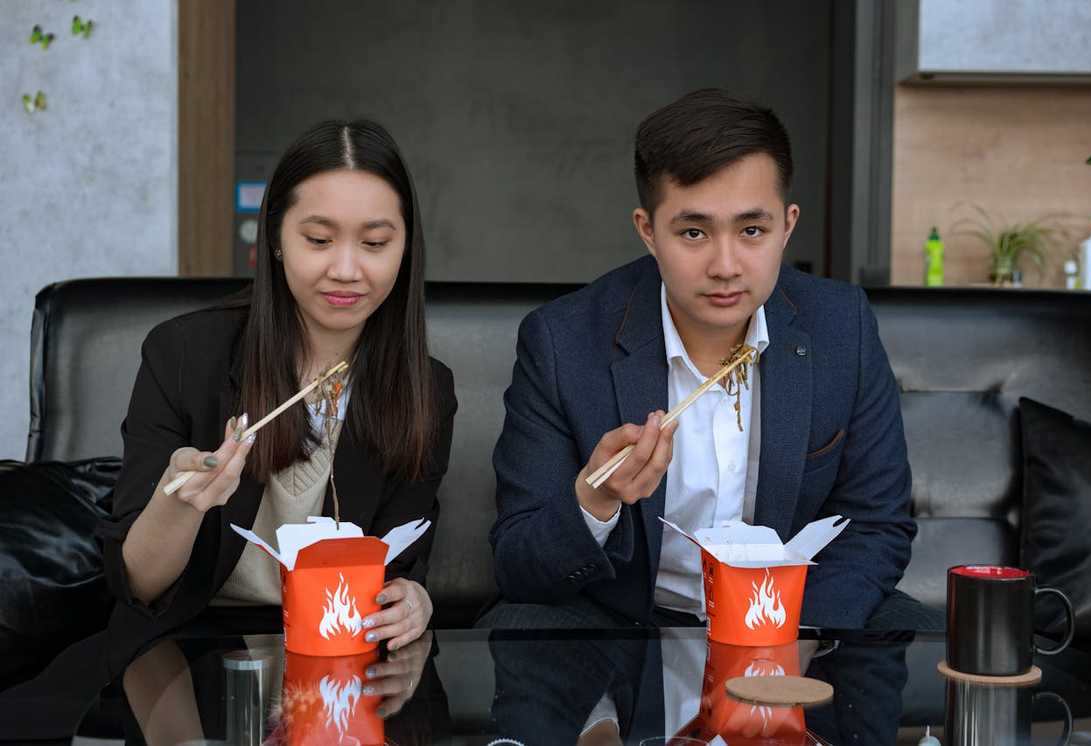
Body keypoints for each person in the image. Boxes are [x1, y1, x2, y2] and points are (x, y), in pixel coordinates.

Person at [0, 119, 456, 740]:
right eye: (319, 239)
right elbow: (138, 584)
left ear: (405, 249)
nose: (347, 269)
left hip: (337, 668)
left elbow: (404, 559)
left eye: (375, 244)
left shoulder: (425, 387)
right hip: (184, 651)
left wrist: (415, 602)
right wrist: (180, 506)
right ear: (275, 239)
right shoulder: (183, 355)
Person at [487, 89, 926, 632]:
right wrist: (594, 500)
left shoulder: (842, 326)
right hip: (625, 626)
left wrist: (785, 640)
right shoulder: (562, 341)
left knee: (919, 636)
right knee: (521, 628)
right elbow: (518, 563)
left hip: (793, 618)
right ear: (648, 231)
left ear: (787, 226)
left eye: (751, 231)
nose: (725, 265)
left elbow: (877, 525)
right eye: (693, 232)